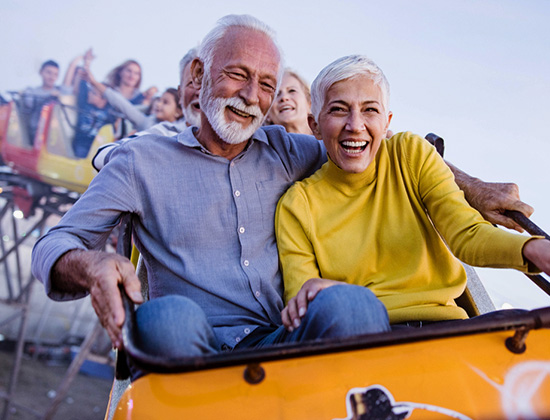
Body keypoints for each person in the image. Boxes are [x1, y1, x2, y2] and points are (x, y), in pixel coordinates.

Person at [31, 15, 535, 374]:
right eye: (237, 75)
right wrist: (92, 265)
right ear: (197, 77)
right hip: (191, 343)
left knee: (354, 308)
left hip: (284, 343)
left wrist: (470, 186)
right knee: (167, 317)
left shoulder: (287, 149)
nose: (252, 96)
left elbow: (371, 146)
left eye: (267, 84)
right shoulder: (140, 161)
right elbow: (55, 242)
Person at [275, 55, 550, 332]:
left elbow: (467, 233)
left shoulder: (410, 153)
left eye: (370, 110)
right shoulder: (297, 205)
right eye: (338, 110)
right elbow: (302, 300)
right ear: (315, 126)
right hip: (369, 338)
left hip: (449, 328)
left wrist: (532, 248)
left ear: (387, 121)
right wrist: (327, 295)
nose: (355, 125)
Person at [267, 69, 312, 135]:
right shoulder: (256, 145)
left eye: (292, 91)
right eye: (276, 94)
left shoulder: (329, 141)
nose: (284, 97)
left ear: (310, 104)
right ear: (267, 115)